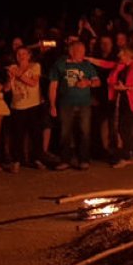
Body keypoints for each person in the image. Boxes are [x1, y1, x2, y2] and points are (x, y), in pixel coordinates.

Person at [48, 41, 101, 170]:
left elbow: (97, 81)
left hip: (84, 103)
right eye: (79, 51)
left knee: (85, 131)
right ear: (71, 52)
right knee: (65, 132)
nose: (82, 54)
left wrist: (88, 82)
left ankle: (84, 159)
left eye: (83, 51)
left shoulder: (87, 65)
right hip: (66, 103)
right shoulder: (61, 64)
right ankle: (65, 160)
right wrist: (52, 105)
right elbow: (53, 86)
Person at [107, 47, 133, 166]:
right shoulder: (124, 67)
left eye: (122, 56)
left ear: (128, 55)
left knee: (125, 129)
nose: (120, 58)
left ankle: (129, 154)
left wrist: (125, 88)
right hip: (125, 101)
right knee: (123, 128)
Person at [6, 47, 44, 171]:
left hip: (33, 104)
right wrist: (10, 77)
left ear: (29, 55)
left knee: (36, 134)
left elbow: (33, 83)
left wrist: (19, 74)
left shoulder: (35, 66)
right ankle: (16, 160)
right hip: (17, 105)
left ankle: (37, 159)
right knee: (17, 135)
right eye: (18, 54)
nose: (21, 56)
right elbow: (7, 88)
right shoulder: (12, 67)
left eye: (23, 53)